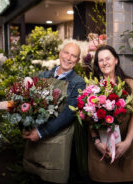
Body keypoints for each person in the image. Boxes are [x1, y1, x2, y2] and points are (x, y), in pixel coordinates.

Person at [22, 43, 86, 184]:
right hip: (35, 136)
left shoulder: (78, 83)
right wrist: (26, 126)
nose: (68, 58)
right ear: (60, 53)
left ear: (78, 60)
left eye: (73, 56)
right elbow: (28, 103)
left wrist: (40, 132)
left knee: (53, 177)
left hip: (58, 137)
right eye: (66, 53)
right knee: (34, 175)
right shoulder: (43, 75)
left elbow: (68, 114)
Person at [88, 45, 133, 183]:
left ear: (116, 60)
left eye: (108, 58)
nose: (105, 62)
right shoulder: (92, 87)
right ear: (97, 64)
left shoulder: (129, 83)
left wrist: (127, 142)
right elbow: (87, 118)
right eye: (100, 60)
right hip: (102, 149)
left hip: (126, 145)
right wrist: (97, 143)